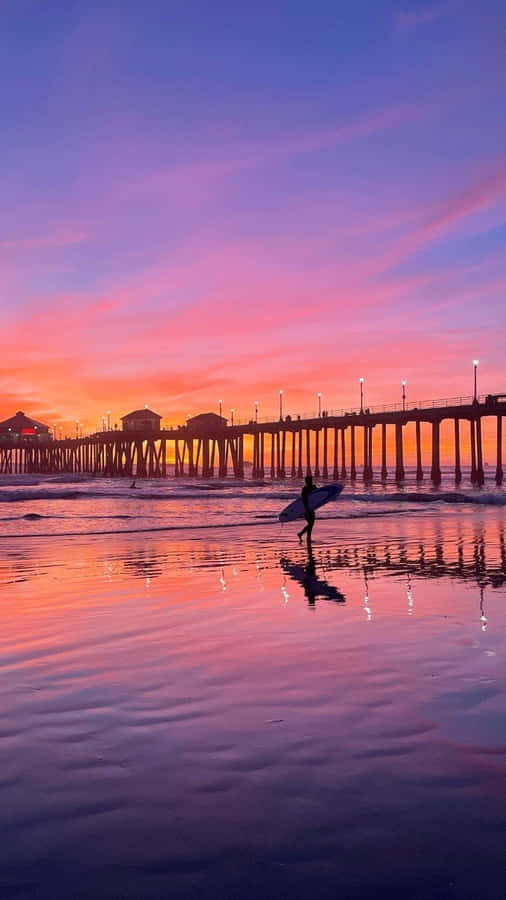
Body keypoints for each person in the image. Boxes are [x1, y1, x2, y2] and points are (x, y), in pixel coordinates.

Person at [298, 474, 317, 546]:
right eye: (310, 480)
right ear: (307, 481)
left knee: (311, 524)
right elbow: (303, 499)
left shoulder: (312, 487)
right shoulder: (305, 489)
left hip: (312, 508)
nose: (311, 481)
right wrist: (306, 509)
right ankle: (302, 535)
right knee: (311, 524)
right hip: (306, 508)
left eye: (311, 480)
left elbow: (318, 495)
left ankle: (307, 537)